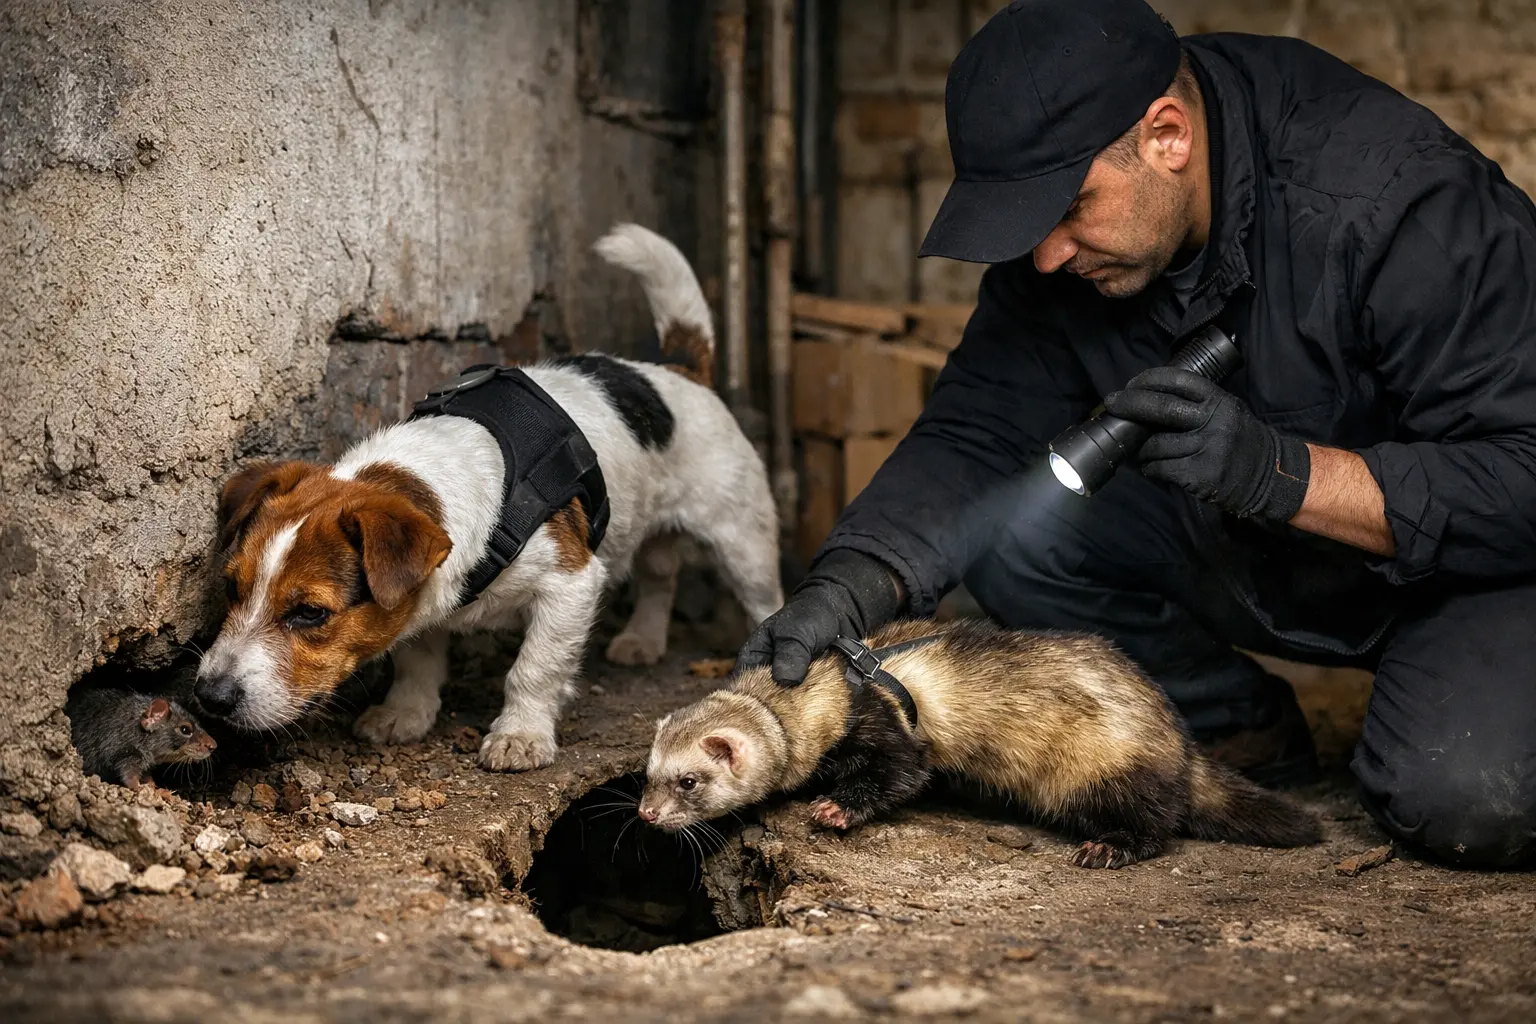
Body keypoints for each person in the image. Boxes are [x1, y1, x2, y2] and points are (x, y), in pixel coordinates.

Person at [738, 0, 1536, 869]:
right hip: (1262, 552)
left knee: (1464, 796)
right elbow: (978, 431)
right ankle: (1233, 725)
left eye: (1071, 207)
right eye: (1027, 225)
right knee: (1011, 530)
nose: (1047, 257)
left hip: (1470, 568)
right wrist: (849, 584)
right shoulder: (1060, 247)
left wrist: (1283, 474)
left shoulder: (1399, 204)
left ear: (1167, 137)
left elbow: (1522, 474)